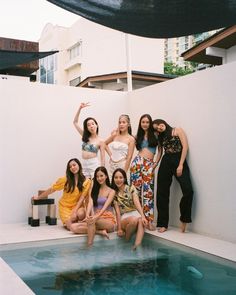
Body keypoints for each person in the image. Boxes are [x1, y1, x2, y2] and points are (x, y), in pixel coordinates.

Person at [152, 119, 194, 233]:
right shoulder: (160, 137)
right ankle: (162, 224)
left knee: (188, 190)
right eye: (156, 128)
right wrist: (155, 164)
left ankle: (184, 220)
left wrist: (180, 164)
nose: (159, 128)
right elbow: (160, 151)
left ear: (163, 122)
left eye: (160, 125)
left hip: (178, 159)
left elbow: (185, 147)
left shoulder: (177, 130)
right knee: (162, 192)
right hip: (166, 161)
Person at [32, 158, 91, 230]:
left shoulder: (87, 181)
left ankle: (81, 225)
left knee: (81, 214)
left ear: (79, 165)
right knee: (71, 226)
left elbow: (82, 198)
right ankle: (94, 230)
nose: (72, 167)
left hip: (77, 206)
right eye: (70, 167)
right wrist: (38, 197)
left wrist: (75, 210)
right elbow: (52, 189)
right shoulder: (65, 180)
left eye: (74, 165)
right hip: (65, 206)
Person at [130, 114, 161, 230]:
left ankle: (148, 221)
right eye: (143, 122)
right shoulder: (138, 136)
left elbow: (160, 151)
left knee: (148, 193)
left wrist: (155, 164)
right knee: (135, 192)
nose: (145, 124)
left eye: (147, 122)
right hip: (137, 163)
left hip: (149, 164)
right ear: (140, 123)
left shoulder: (156, 135)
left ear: (150, 123)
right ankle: (137, 219)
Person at [111, 168, 148, 250]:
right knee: (135, 220)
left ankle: (136, 246)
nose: (118, 180)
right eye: (116, 177)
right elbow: (117, 212)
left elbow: (137, 203)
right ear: (113, 179)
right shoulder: (114, 193)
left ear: (124, 179)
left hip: (135, 213)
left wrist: (143, 216)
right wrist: (119, 228)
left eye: (121, 177)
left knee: (140, 220)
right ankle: (126, 242)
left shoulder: (131, 188)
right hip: (124, 216)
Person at [85, 166, 116, 247]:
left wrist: (95, 217)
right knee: (74, 228)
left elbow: (104, 208)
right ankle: (100, 232)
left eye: (101, 176)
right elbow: (90, 203)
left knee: (91, 222)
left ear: (106, 176)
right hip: (96, 218)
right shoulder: (94, 190)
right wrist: (87, 215)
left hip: (108, 220)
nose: (99, 178)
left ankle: (89, 246)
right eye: (97, 176)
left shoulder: (111, 191)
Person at [73, 102, 105, 178]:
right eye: (88, 125)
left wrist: (102, 171)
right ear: (87, 128)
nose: (91, 126)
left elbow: (103, 158)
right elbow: (75, 122)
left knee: (94, 185)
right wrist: (80, 108)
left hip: (94, 164)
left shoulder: (101, 141)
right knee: (85, 186)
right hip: (84, 164)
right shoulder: (85, 136)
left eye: (93, 124)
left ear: (96, 125)